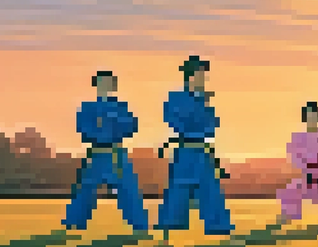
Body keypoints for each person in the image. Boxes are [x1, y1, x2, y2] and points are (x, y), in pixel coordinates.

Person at [62, 70, 149, 232]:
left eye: (109, 82)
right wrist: (108, 128)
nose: (106, 86)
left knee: (128, 189)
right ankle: (74, 222)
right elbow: (83, 129)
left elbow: (131, 127)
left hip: (116, 154)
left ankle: (139, 224)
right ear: (96, 85)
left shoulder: (122, 107)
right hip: (96, 154)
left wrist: (107, 122)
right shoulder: (87, 107)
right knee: (86, 189)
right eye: (102, 82)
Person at [156, 56, 234, 236]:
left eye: (203, 75)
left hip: (202, 150)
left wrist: (202, 108)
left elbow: (212, 125)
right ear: (190, 76)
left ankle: (217, 226)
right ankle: (171, 223)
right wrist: (197, 117)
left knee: (209, 187)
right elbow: (175, 121)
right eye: (199, 74)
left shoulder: (203, 99)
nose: (202, 78)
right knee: (179, 187)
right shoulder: (176, 98)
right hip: (185, 149)